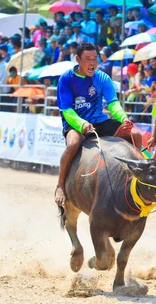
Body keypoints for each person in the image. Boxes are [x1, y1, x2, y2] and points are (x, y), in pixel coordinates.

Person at [54, 43, 138, 206]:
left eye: (95, 59)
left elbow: (113, 103)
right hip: (76, 124)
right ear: (78, 59)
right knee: (72, 144)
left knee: (135, 134)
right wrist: (82, 124)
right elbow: (67, 111)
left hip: (99, 121)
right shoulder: (66, 79)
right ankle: (60, 185)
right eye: (88, 59)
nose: (92, 63)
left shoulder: (103, 78)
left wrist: (123, 118)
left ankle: (136, 180)